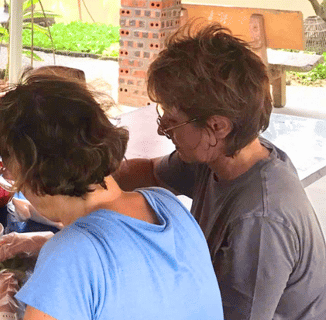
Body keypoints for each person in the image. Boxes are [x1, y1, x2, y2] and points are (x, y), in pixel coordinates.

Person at [114, 24, 326, 319]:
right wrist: (91, 173)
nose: (163, 129)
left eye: (172, 121)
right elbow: (150, 172)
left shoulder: (260, 223)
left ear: (217, 126)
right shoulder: (220, 154)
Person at [0, 71, 222, 320]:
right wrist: (46, 243)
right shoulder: (166, 203)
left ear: (32, 172)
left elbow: (86, 260)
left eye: (12, 173)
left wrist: (2, 306)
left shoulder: (68, 258)